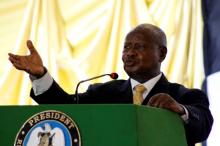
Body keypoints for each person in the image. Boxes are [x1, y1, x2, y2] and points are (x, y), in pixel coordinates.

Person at [8, 23, 213, 146]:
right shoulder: (103, 93)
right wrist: (40, 75)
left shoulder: (185, 96)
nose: (130, 53)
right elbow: (65, 109)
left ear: (162, 53)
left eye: (139, 47)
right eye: (126, 47)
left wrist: (180, 110)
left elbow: (202, 125)